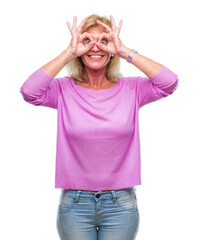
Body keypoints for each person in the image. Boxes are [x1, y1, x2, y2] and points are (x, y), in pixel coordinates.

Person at [20, 14, 178, 240]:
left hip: (120, 204)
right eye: (87, 41)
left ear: (111, 50)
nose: (95, 47)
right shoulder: (63, 90)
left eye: (103, 41)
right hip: (75, 204)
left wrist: (125, 51)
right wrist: (69, 53)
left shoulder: (132, 89)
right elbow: (29, 91)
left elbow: (169, 82)